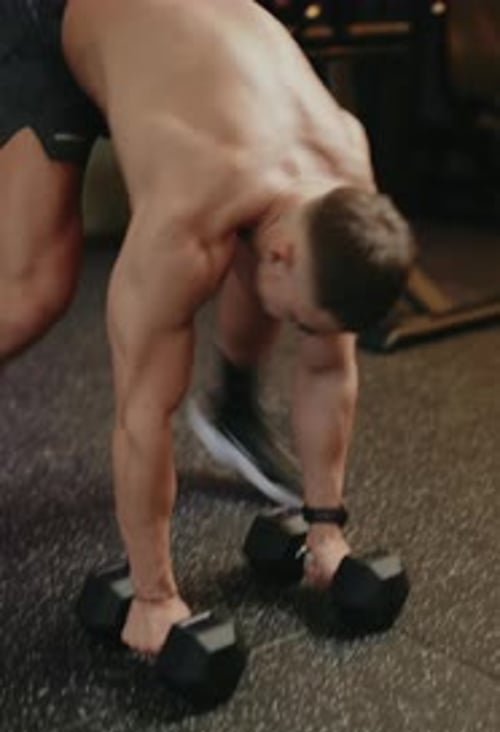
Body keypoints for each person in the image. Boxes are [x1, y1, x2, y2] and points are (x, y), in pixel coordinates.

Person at [0, 0, 416, 656]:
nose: (298, 334)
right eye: (300, 321)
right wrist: (154, 597)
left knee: (276, 284)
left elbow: (330, 366)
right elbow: (142, 413)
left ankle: (233, 408)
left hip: (178, 63)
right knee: (32, 291)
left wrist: (326, 526)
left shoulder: (345, 178)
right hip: (55, 20)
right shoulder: (188, 218)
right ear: (283, 255)